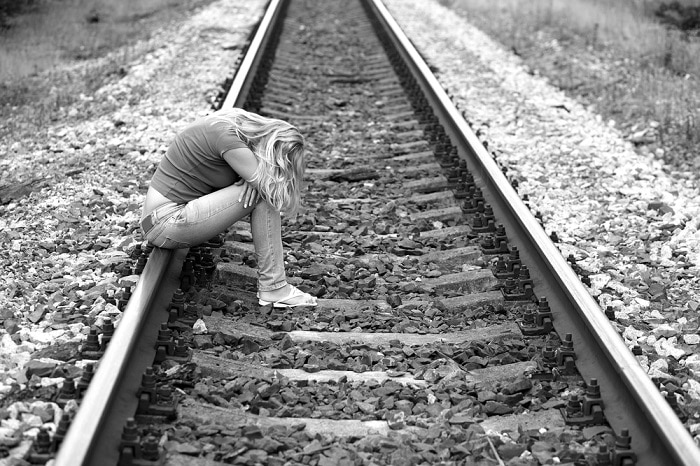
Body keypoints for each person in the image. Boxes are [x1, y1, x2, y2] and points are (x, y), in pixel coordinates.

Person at [140, 108, 317, 308]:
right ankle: (274, 287)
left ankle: (274, 286)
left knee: (260, 188)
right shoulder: (229, 140)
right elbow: (276, 194)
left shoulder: (230, 126)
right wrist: (259, 182)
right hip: (165, 222)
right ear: (272, 148)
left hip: (160, 218)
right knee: (264, 196)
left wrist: (255, 179)